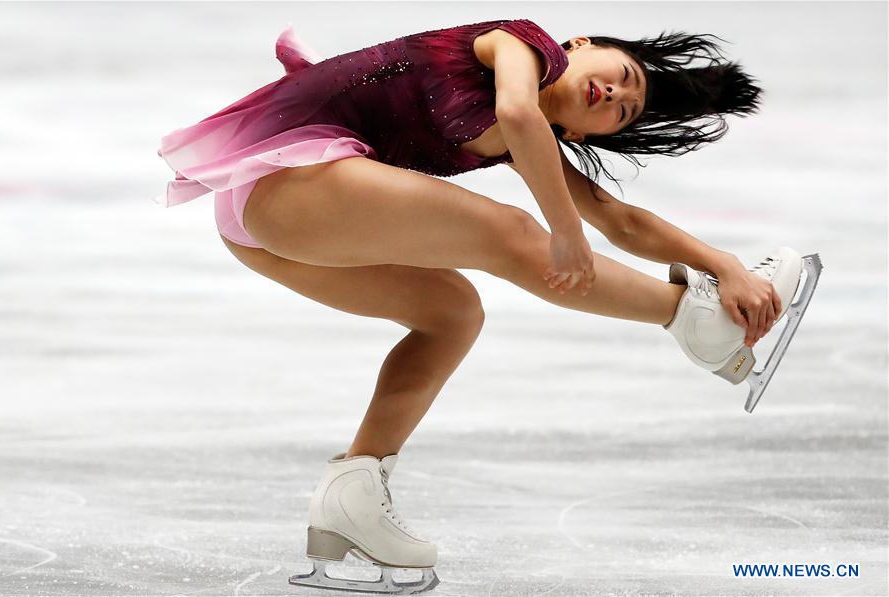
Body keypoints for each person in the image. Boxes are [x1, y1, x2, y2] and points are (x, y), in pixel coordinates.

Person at [155, 18, 818, 593]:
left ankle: (353, 490)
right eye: (620, 75)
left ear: (589, 133)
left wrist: (725, 265)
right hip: (279, 180)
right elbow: (521, 116)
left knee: (452, 313)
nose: (613, 94)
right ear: (582, 45)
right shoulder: (521, 46)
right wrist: (563, 230)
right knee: (512, 234)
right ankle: (693, 320)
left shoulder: (533, 138)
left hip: (263, 225)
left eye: (622, 111)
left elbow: (619, 219)